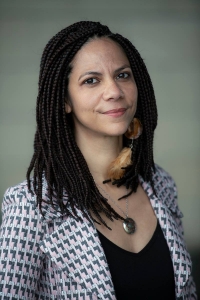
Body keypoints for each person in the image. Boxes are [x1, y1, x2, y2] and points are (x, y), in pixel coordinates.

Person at [0, 21, 197, 300]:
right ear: (64, 100)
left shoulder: (161, 184)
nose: (114, 91)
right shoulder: (32, 206)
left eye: (123, 75)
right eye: (91, 80)